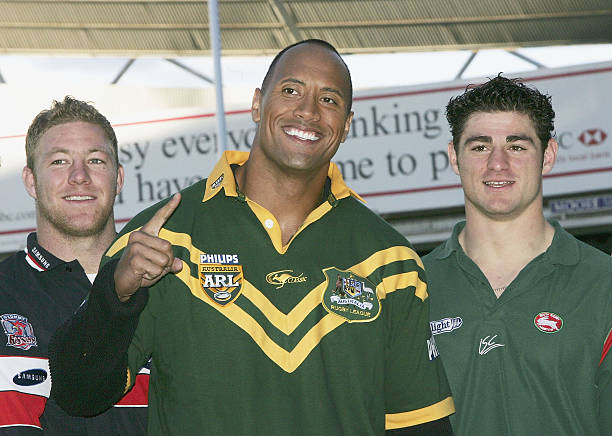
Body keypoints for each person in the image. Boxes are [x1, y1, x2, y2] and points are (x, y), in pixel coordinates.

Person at [48, 40, 455, 434]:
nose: (309, 111)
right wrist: (115, 295)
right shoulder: (161, 237)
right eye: (291, 90)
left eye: (329, 100)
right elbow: (79, 394)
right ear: (258, 104)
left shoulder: (391, 260)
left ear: (347, 125)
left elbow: (420, 425)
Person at [424, 76, 612, 434]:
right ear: (454, 157)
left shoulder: (603, 284)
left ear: (548, 156)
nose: (498, 163)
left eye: (517, 146)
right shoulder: (410, 287)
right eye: (479, 147)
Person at [0, 96, 148, 435]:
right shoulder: (5, 292)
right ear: (30, 181)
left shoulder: (166, 286)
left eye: (95, 160)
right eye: (59, 162)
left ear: (119, 178)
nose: (79, 177)